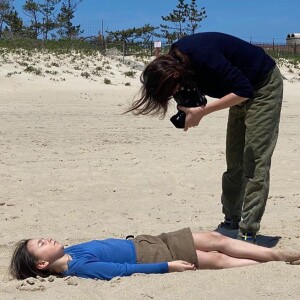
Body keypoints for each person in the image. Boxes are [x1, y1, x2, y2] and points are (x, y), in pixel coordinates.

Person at [126, 32, 284, 243]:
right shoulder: (179, 63)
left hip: (262, 86)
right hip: (238, 92)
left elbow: (244, 90)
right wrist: (190, 107)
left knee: (254, 161)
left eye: (171, 92)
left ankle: (248, 230)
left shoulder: (203, 56)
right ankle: (231, 220)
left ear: (173, 76)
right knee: (234, 161)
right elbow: (207, 91)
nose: (174, 94)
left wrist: (203, 112)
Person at [10, 228, 300, 281]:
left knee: (215, 239)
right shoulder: (80, 268)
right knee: (220, 259)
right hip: (150, 256)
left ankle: (275, 255)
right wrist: (168, 266)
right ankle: (279, 259)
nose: (47, 238)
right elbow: (123, 271)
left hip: (148, 241)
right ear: (42, 263)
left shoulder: (71, 252)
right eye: (41, 243)